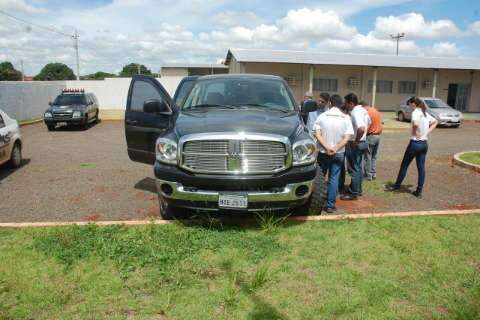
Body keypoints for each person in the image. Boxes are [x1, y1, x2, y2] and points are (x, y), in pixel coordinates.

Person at [386, 97, 437, 198]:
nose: (409, 106)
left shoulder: (415, 113)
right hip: (424, 143)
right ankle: (419, 191)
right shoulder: (424, 113)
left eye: (409, 104)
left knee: (404, 165)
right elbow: (435, 122)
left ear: (413, 104)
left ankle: (397, 186)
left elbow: (416, 123)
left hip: (415, 143)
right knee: (421, 168)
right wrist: (426, 132)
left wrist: (416, 132)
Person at [314, 94, 353, 213]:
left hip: (323, 152)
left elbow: (317, 134)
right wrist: (335, 148)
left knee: (319, 178)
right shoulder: (345, 118)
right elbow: (347, 137)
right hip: (339, 153)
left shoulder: (322, 116)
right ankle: (330, 205)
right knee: (334, 178)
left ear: (330, 103)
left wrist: (327, 147)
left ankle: (316, 203)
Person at [341, 93, 370, 201]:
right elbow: (368, 124)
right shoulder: (364, 111)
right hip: (363, 142)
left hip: (356, 142)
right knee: (358, 167)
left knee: (354, 168)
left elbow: (361, 128)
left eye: (346, 103)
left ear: (351, 103)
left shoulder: (355, 113)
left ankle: (354, 193)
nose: (345, 105)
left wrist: (356, 140)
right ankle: (358, 189)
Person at [360, 101, 382, 181]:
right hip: (378, 135)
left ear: (363, 106)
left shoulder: (367, 113)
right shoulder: (376, 111)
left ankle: (368, 175)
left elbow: (366, 126)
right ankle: (373, 173)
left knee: (367, 156)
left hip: (371, 136)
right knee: (374, 156)